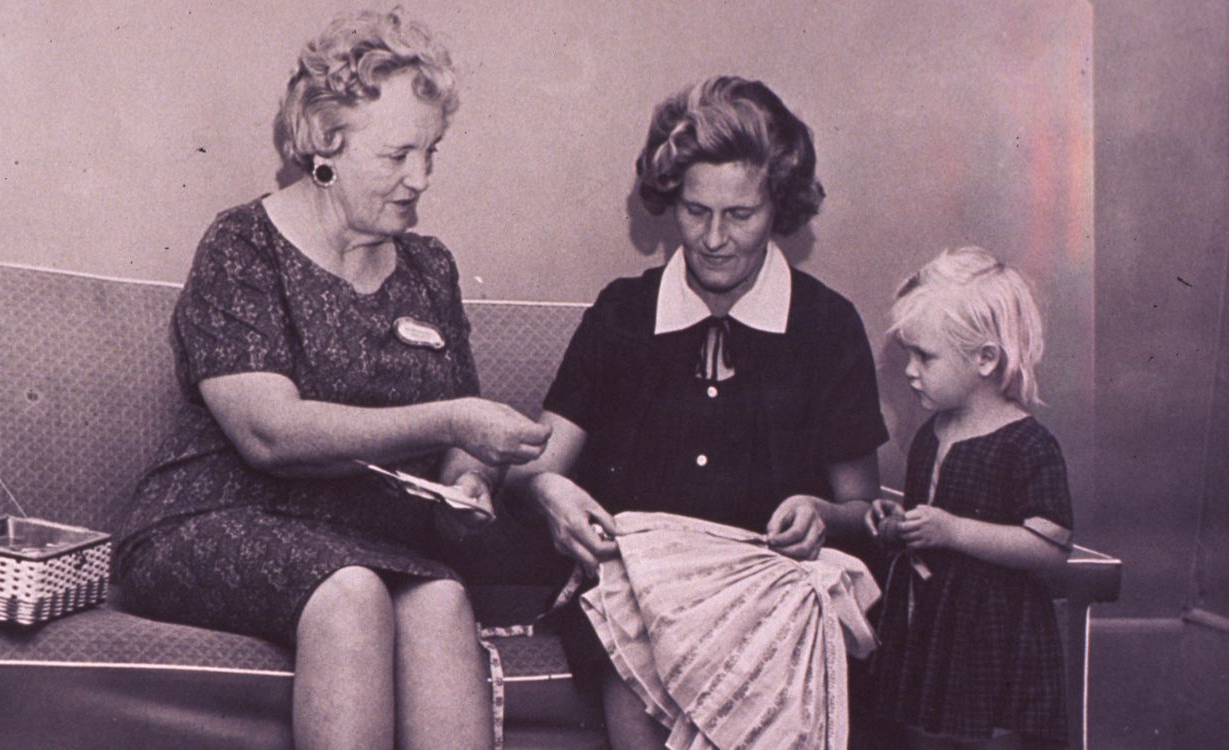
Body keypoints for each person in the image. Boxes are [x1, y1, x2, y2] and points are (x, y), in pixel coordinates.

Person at [112, 9, 550, 749]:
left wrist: (467, 475)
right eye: (398, 155)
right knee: (349, 594)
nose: (421, 178)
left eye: (431, 152)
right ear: (324, 146)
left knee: (443, 599)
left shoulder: (429, 266)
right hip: (214, 516)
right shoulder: (242, 244)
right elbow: (269, 434)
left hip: (365, 534)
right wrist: (450, 422)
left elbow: (463, 429)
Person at [505, 75, 890, 748]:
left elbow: (862, 511)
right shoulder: (623, 314)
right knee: (635, 626)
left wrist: (823, 514)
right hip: (635, 600)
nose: (713, 239)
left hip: (768, 603)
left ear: (780, 207)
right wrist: (549, 493)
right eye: (693, 211)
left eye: (739, 215)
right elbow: (534, 468)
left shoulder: (826, 326)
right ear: (669, 201)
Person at [867, 247, 1073, 749]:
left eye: (925, 357)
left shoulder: (1028, 443)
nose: (911, 370)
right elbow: (927, 522)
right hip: (933, 624)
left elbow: (1049, 546)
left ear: (985, 358)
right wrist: (899, 525)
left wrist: (954, 531)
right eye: (908, 354)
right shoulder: (930, 434)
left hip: (995, 637)